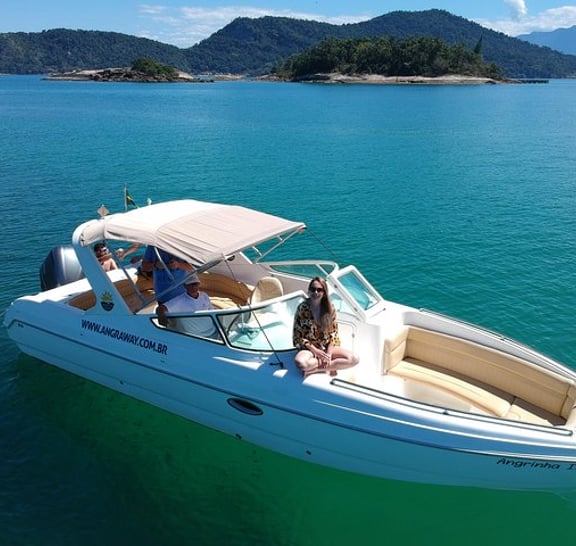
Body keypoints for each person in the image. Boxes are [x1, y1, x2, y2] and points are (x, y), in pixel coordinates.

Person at [293, 277, 359, 377]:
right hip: (310, 349)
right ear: (309, 291)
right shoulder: (302, 308)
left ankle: (315, 369)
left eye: (319, 290)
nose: (315, 292)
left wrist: (328, 355)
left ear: (324, 292)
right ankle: (331, 366)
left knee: (354, 359)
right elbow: (297, 336)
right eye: (313, 289)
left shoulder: (330, 309)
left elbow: (334, 334)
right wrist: (316, 351)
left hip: (326, 347)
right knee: (300, 362)